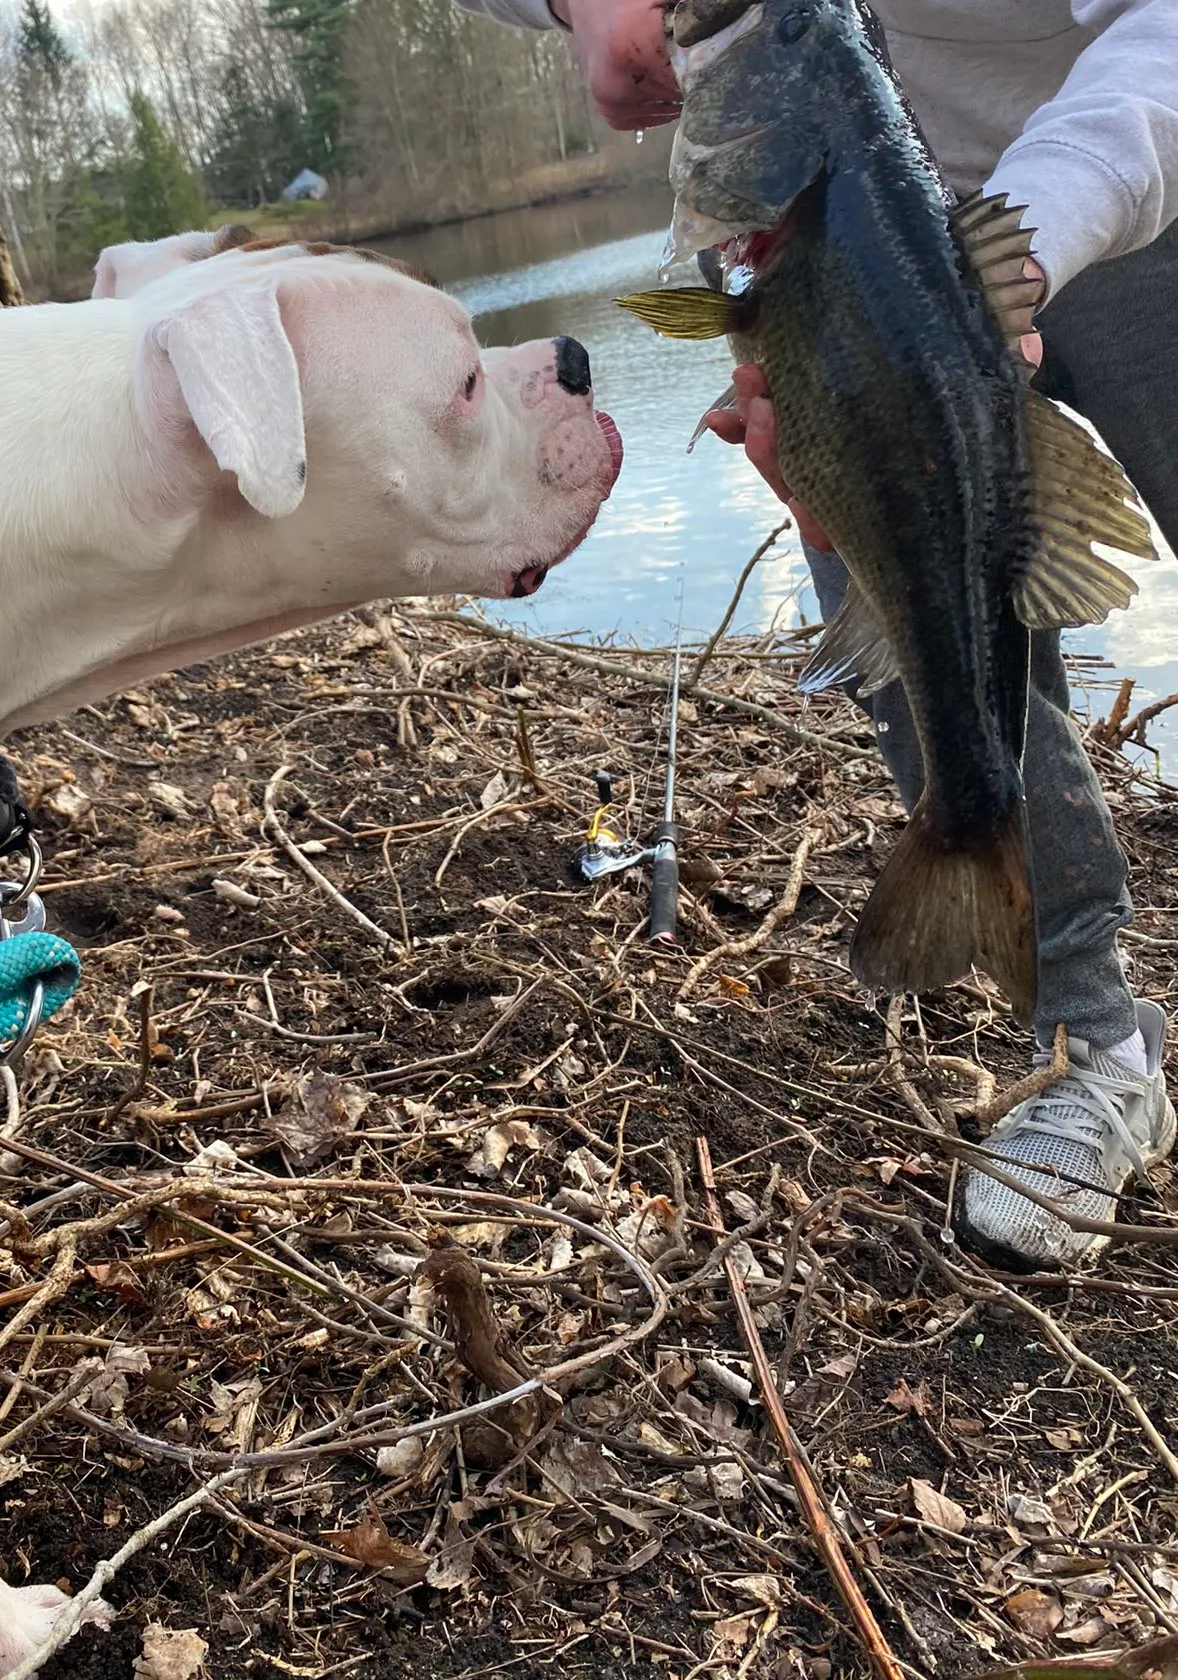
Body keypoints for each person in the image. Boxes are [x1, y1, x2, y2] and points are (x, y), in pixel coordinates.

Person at [455, 0, 1178, 1273]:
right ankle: (1092, 1046)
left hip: (1135, 157)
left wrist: (974, 288)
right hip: (840, 262)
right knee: (920, 658)